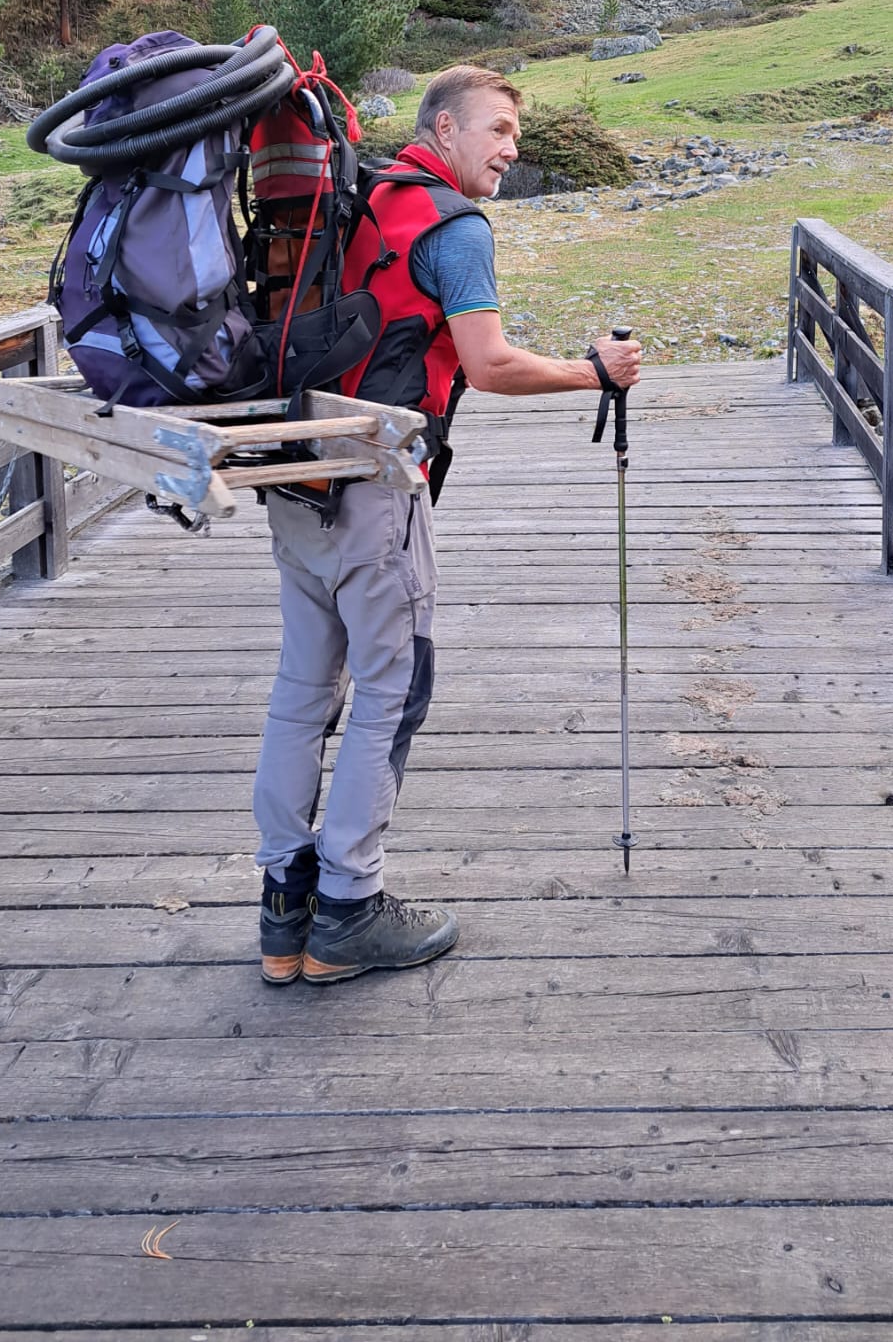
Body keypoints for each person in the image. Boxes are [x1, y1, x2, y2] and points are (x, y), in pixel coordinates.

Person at [252, 64, 642, 985]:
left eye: (515, 132)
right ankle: (349, 907)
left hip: (297, 471)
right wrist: (597, 372)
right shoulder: (456, 226)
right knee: (395, 688)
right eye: (498, 129)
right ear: (445, 128)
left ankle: (284, 912)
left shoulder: (363, 195)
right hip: (375, 485)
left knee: (303, 690)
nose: (513, 148)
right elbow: (491, 363)